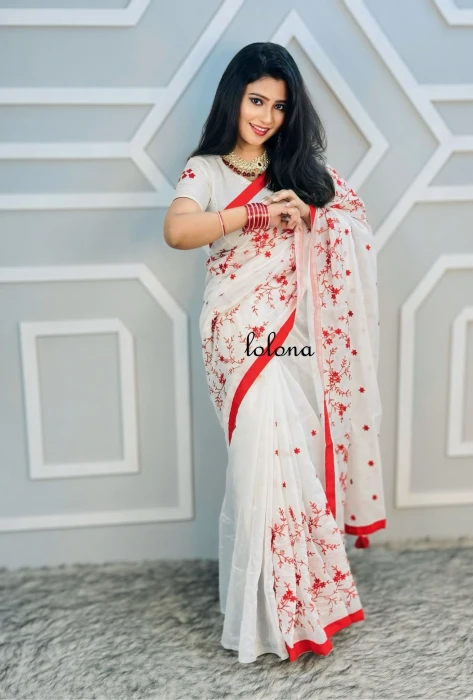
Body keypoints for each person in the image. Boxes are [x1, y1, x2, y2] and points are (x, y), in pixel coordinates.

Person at [163, 42, 386, 664]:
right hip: (234, 332)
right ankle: (266, 611)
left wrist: (311, 215)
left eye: (279, 107)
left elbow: (352, 227)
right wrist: (255, 215)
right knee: (261, 454)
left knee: (283, 456)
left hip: (288, 333)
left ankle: (289, 603)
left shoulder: (301, 169)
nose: (265, 116)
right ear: (233, 98)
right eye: (256, 100)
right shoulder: (206, 170)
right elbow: (178, 230)